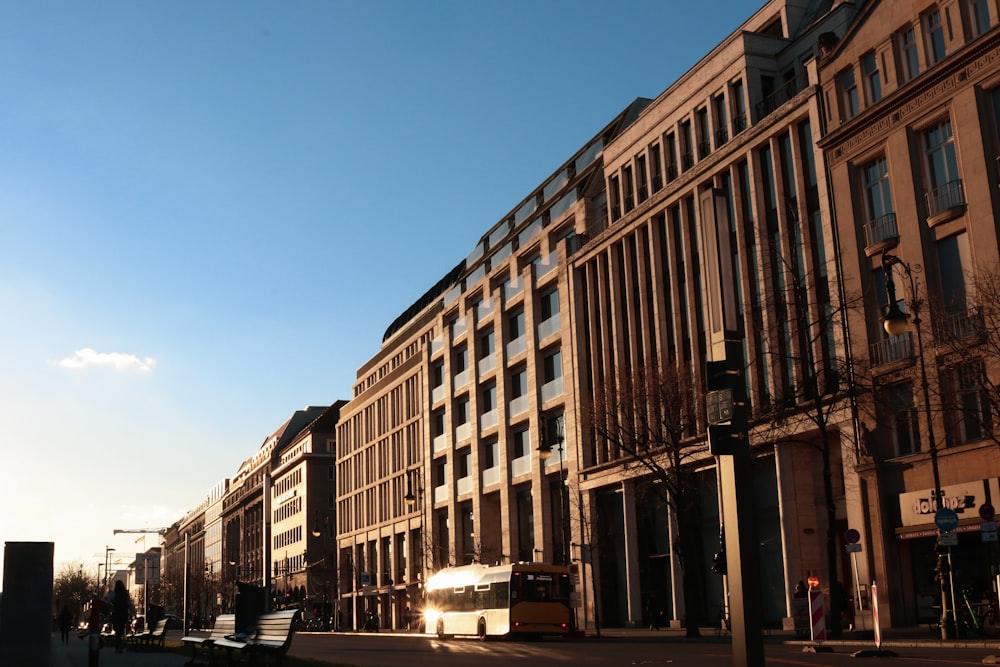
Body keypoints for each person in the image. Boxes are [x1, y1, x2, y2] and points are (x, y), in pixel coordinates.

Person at [109, 580, 133, 653]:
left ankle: (118, 645)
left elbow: (108, 602)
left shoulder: (114, 594)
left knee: (117, 631)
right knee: (121, 630)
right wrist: (133, 612)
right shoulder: (125, 595)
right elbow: (130, 604)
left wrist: (110, 609)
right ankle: (120, 644)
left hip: (116, 614)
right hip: (123, 614)